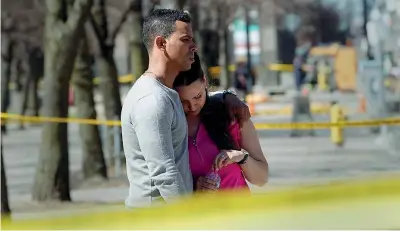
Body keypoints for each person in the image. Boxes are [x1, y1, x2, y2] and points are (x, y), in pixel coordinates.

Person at [121, 9, 250, 208]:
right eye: (185, 39)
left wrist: (226, 96)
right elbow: (164, 174)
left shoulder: (163, 93)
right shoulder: (152, 100)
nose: (194, 46)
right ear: (161, 44)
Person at [174, 53, 269, 193]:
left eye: (197, 97)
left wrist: (241, 157)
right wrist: (193, 186)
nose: (193, 106)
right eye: (183, 102)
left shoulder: (232, 115)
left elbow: (262, 179)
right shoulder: (169, 126)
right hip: (197, 214)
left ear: (205, 81)